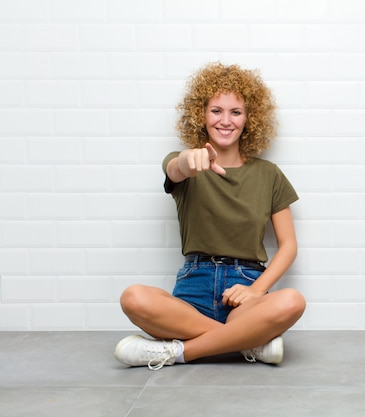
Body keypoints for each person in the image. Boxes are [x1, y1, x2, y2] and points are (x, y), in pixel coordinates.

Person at [113, 62, 306, 370]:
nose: (225, 121)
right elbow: (176, 168)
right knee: (133, 297)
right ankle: (248, 343)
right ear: (201, 115)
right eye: (216, 111)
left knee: (292, 301)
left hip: (245, 289)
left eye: (236, 112)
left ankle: (176, 353)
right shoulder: (183, 163)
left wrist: (256, 290)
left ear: (249, 118)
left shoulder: (269, 174)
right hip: (192, 291)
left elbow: (289, 246)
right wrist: (188, 162)